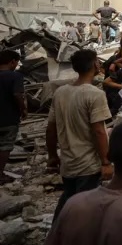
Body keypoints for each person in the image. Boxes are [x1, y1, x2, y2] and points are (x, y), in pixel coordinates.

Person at [45, 50, 112, 220]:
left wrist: (52, 155)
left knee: (69, 201)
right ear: (95, 65)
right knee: (84, 212)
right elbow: (99, 131)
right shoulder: (95, 94)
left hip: (68, 164)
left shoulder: (60, 92)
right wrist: (105, 162)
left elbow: (50, 129)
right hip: (87, 165)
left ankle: (59, 237)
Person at [0, 50, 27, 184]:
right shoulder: (15, 76)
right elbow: (17, 94)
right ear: (12, 62)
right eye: (16, 62)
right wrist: (23, 109)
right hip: (8, 117)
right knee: (5, 146)